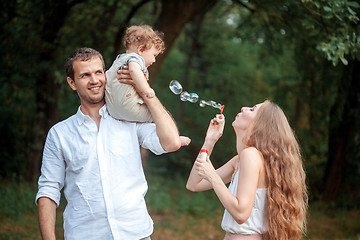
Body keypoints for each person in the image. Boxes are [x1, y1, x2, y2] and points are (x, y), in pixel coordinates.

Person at [36, 47, 184, 240]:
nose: (95, 80)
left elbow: (171, 142)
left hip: (135, 234)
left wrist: (147, 92)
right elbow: (48, 190)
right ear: (72, 83)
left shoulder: (130, 119)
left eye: (98, 72)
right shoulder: (59, 134)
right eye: (85, 75)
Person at [186, 100, 308, 240]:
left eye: (252, 109)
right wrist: (209, 141)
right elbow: (194, 184)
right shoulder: (240, 160)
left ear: (260, 125)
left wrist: (213, 177)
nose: (244, 108)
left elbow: (241, 214)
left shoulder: (251, 155)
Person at [105, 24, 190, 146]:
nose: (154, 60)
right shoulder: (135, 59)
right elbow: (134, 70)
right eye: (154, 55)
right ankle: (174, 138)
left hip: (112, 110)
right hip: (129, 108)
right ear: (141, 50)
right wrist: (146, 89)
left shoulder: (118, 60)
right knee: (156, 115)